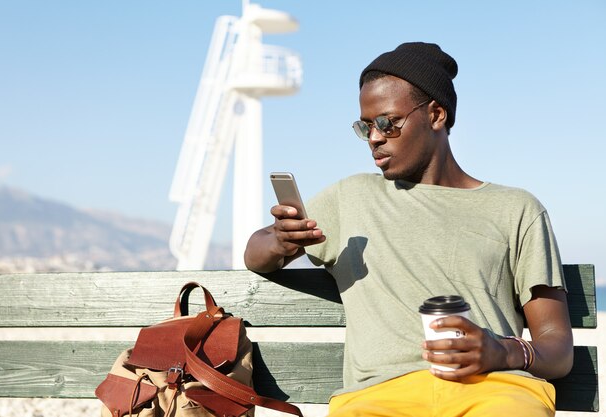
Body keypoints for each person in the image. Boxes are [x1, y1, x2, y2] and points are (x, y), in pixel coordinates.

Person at [244, 42, 573, 417]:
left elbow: (557, 347)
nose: (374, 137)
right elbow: (256, 253)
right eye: (365, 126)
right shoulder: (352, 196)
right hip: (377, 397)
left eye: (387, 122)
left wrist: (504, 350)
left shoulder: (517, 209)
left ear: (435, 115)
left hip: (494, 392)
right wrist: (280, 240)